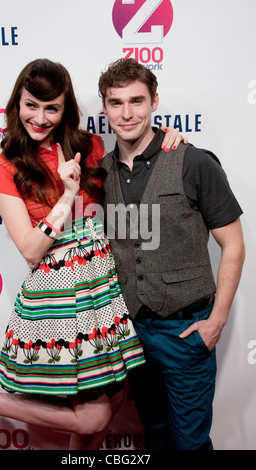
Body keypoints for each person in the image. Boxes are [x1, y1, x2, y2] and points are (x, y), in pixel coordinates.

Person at [0, 58, 183, 450]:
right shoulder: (5, 166)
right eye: (31, 105)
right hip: (61, 299)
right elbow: (29, 248)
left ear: (65, 110)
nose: (40, 118)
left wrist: (167, 141)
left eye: (52, 108)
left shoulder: (87, 145)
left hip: (104, 291)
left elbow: (133, 163)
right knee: (94, 414)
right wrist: (67, 196)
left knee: (110, 404)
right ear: (17, 105)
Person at [98, 58, 245, 451]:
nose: (127, 113)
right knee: (155, 435)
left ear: (154, 102)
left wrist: (217, 321)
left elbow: (233, 244)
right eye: (116, 103)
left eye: (137, 101)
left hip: (185, 329)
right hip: (131, 333)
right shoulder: (100, 173)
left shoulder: (193, 161)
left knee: (190, 444)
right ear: (104, 109)